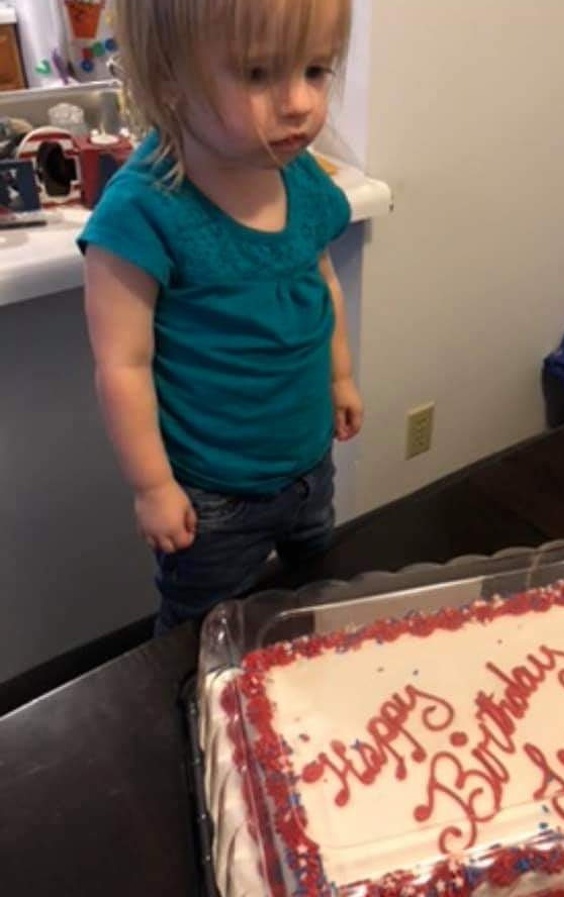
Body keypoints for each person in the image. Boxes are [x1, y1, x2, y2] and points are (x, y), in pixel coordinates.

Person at [78, 0, 362, 634]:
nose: (298, 103)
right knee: (199, 634)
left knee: (310, 605)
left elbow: (318, 281)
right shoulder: (144, 211)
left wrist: (340, 376)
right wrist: (153, 487)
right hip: (213, 498)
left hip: (309, 465)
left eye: (316, 70)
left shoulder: (299, 175)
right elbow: (122, 366)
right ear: (171, 76)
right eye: (259, 75)